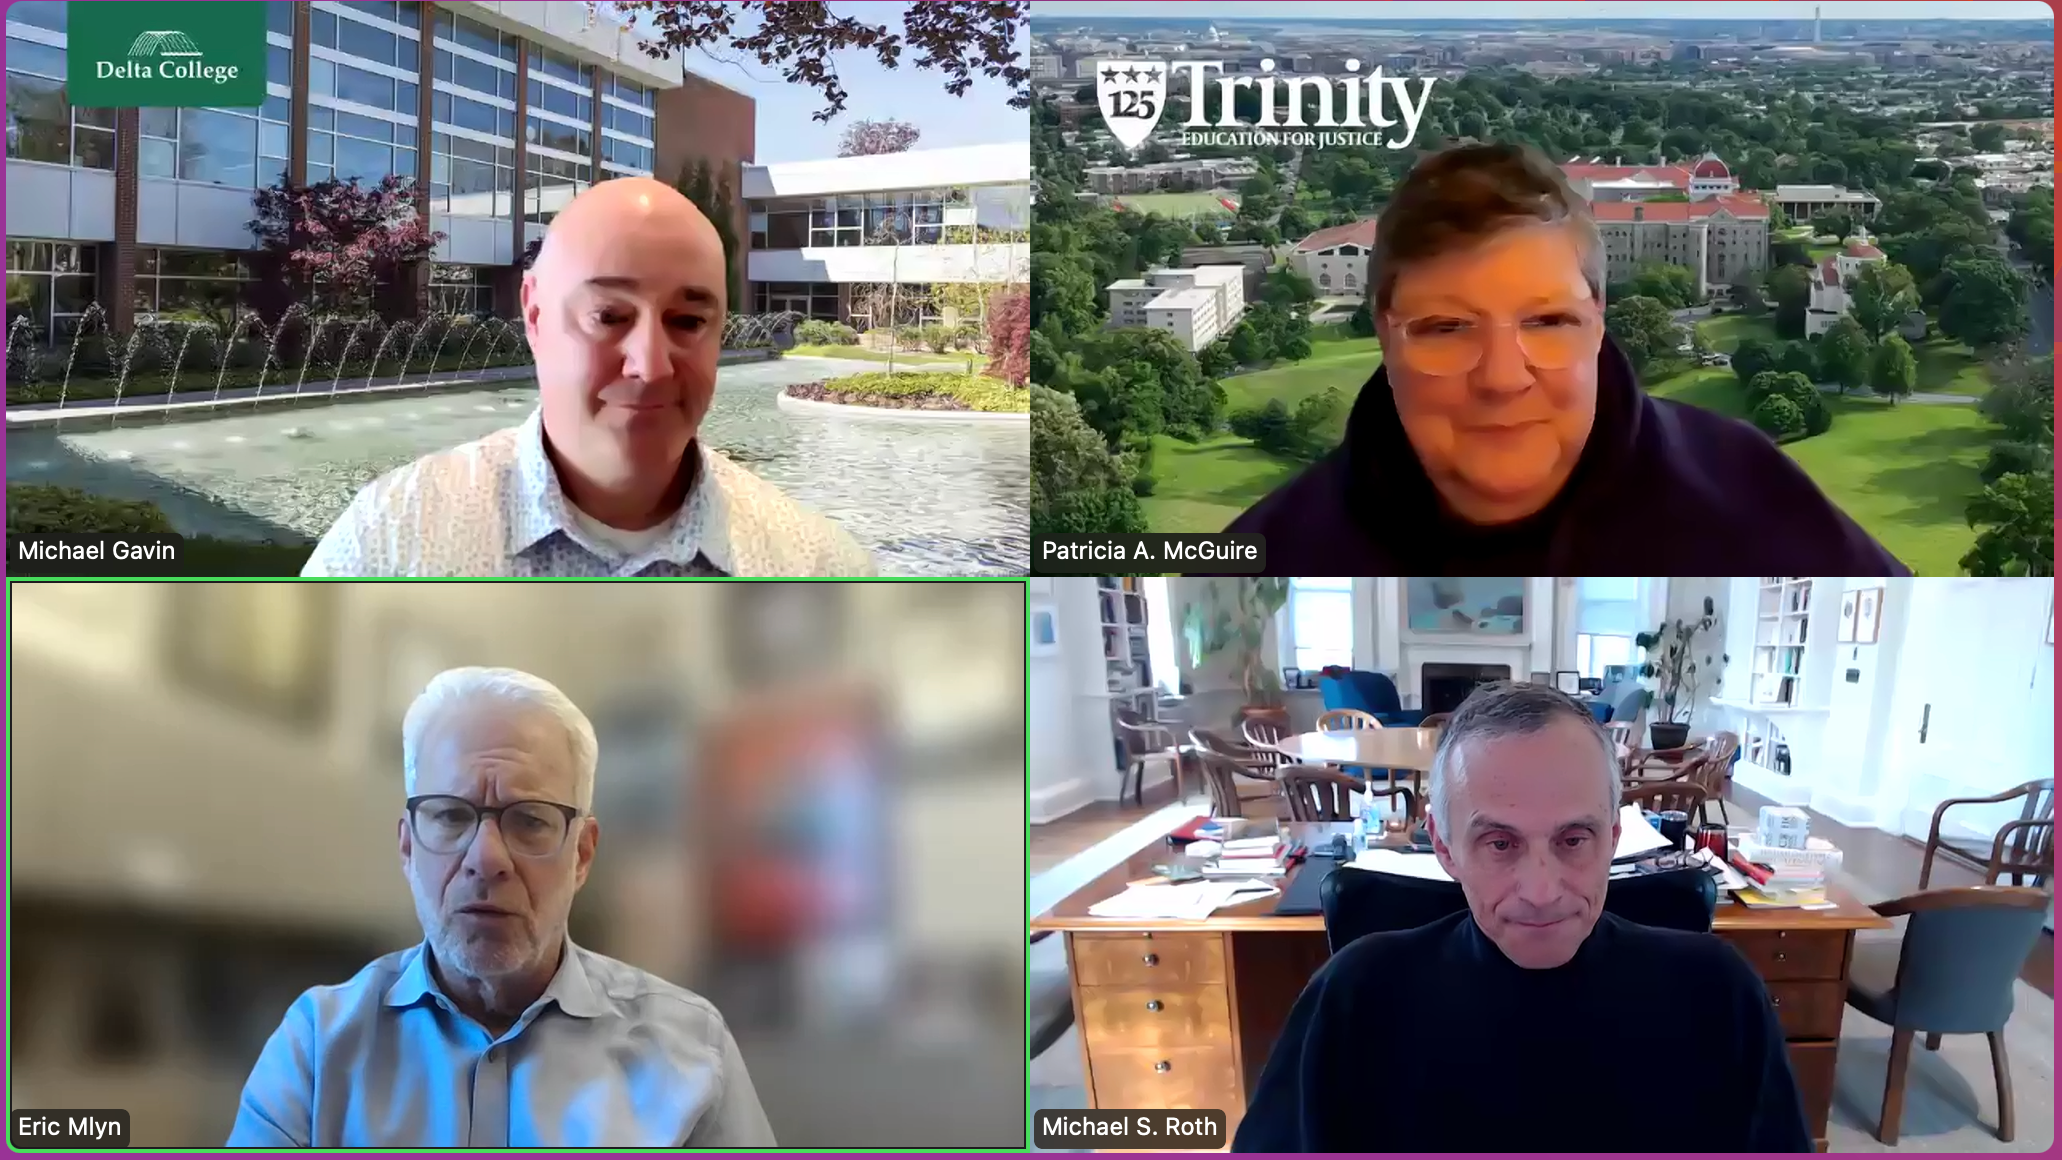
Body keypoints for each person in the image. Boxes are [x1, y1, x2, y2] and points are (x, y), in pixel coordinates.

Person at [1222, 142, 1909, 576]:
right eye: (1445, 328)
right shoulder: (1266, 550)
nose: (1500, 377)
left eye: (1548, 320)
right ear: (1384, 332)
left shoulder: (1753, 499)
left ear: (1598, 318)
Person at [1233, 682, 1812, 1153]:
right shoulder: (1353, 997)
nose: (1540, 892)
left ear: (1612, 838)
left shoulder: (1719, 995)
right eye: (1500, 844)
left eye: (1574, 839)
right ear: (1444, 845)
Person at [228, 668, 777, 1147]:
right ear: (407, 846)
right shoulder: (318, 1047)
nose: (486, 860)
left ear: (582, 855)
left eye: (530, 819)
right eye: (449, 816)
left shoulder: (693, 1053)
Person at [302, 178, 875, 577]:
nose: (650, 366)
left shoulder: (816, 567)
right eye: (608, 316)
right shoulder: (391, 539)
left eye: (688, 321)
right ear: (534, 313)